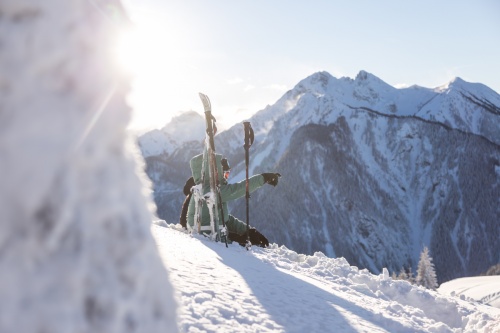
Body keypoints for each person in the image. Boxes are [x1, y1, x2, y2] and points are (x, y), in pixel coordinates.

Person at [181, 152, 280, 247]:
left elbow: (226, 219)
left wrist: (248, 230)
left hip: (213, 235)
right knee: (248, 247)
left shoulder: (204, 189)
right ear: (212, 172)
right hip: (209, 238)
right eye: (224, 174)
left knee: (249, 241)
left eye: (228, 174)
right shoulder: (208, 191)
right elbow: (237, 190)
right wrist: (264, 178)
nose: (226, 178)